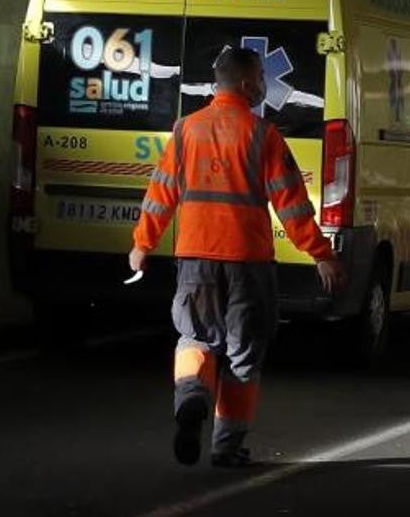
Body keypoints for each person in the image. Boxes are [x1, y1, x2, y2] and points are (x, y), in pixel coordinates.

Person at [130, 45, 345, 468]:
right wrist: (322, 254)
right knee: (243, 353)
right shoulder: (263, 134)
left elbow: (160, 194)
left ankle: (191, 397)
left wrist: (142, 244)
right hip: (248, 261)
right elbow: (292, 204)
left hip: (195, 257)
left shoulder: (186, 130)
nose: (265, 83)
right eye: (262, 77)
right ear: (247, 84)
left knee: (195, 337)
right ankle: (226, 447)